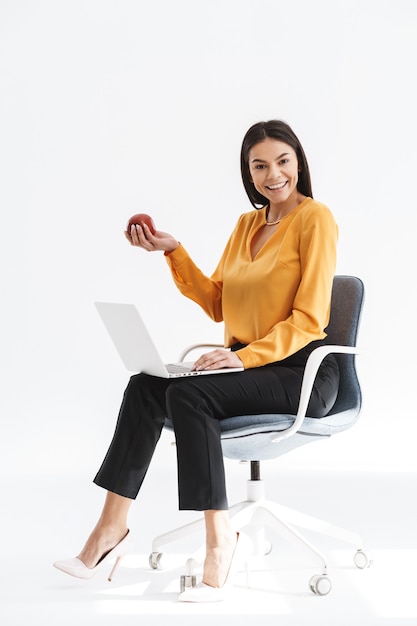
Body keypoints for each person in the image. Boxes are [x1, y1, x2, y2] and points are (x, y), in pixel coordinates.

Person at [53, 119, 340, 602]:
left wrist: (243, 358)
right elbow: (217, 303)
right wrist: (173, 251)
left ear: (298, 162)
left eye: (283, 161)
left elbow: (310, 320)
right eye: (260, 165)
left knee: (189, 394)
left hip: (300, 370)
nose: (274, 174)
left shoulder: (316, 219)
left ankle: (219, 541)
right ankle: (110, 530)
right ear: (249, 173)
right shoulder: (247, 224)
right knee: (146, 386)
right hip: (250, 364)